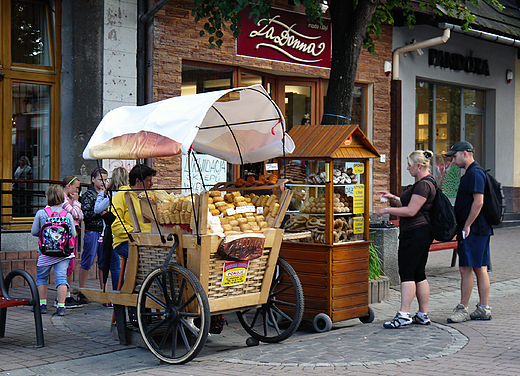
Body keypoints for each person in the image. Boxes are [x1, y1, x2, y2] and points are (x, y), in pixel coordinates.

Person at [377, 150, 436, 329]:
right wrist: (393, 198)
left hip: (415, 233)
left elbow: (411, 211)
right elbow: (412, 205)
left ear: (419, 166)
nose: (408, 168)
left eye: (410, 165)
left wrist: (387, 210)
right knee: (419, 274)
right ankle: (422, 314)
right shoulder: (429, 182)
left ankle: (404, 314)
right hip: (423, 232)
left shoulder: (423, 185)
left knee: (407, 273)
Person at [445, 141, 493, 322]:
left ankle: (463, 309)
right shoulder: (474, 172)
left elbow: (478, 202)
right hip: (479, 229)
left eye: (454, 156)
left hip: (474, 230)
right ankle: (483, 307)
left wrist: (467, 225)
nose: (452, 160)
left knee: (466, 269)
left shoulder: (474, 173)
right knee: (479, 268)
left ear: (465, 153)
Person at [31, 185, 76, 316]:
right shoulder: (67, 214)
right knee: (61, 279)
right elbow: (73, 233)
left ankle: (42, 305)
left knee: (41, 278)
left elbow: (34, 232)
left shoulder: (41, 213)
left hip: (45, 253)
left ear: (47, 198)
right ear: (62, 198)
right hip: (63, 253)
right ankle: (61, 306)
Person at [94, 167, 129, 293]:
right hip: (128, 232)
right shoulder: (129, 194)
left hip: (112, 233)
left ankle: (116, 292)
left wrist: (100, 195)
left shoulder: (112, 195)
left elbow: (97, 209)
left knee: (113, 266)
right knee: (119, 266)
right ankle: (121, 290)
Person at [77, 168, 109, 304]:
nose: (103, 182)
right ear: (93, 179)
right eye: (101, 179)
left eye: (106, 180)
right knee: (87, 260)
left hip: (104, 231)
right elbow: (84, 214)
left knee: (104, 262)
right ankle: (82, 291)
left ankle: (104, 293)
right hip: (92, 231)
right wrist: (99, 213)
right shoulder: (89, 195)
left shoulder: (107, 194)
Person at [111, 164, 156, 261]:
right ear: (138, 181)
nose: (151, 184)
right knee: (150, 257)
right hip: (125, 241)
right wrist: (137, 234)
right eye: (148, 180)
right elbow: (115, 225)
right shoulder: (121, 196)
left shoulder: (149, 196)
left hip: (148, 240)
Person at [57, 175, 84, 309]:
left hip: (72, 234)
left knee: (70, 264)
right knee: (67, 264)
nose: (78, 191)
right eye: (76, 187)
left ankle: (66, 294)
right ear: (69, 186)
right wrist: (77, 202)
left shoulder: (69, 199)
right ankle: (64, 296)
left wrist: (76, 205)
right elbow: (76, 214)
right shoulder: (63, 199)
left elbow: (81, 215)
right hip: (67, 235)